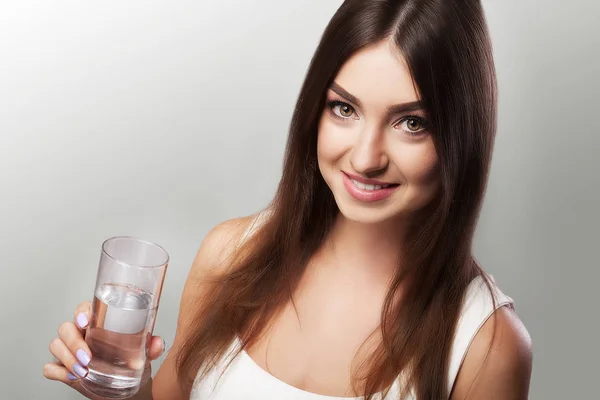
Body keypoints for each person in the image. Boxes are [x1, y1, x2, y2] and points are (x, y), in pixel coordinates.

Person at [43, 0, 533, 399]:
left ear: (461, 136)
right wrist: (115, 388)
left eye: (412, 122)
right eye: (344, 109)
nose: (365, 158)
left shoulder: (486, 346)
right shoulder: (231, 255)